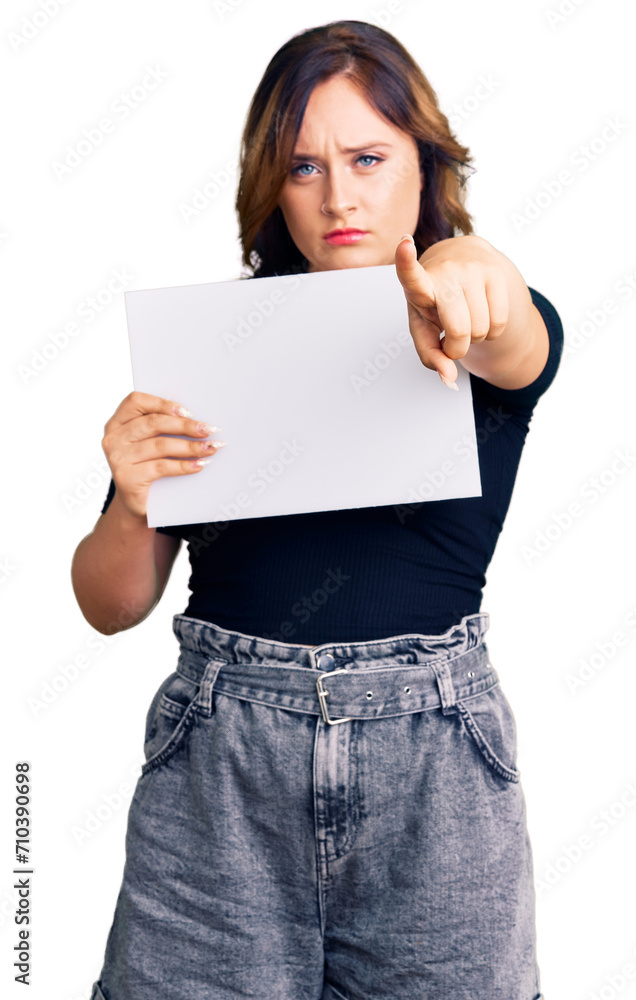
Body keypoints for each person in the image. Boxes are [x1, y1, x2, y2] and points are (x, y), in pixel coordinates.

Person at [73, 19, 562, 1000]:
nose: (340, 196)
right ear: (273, 185)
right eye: (305, 167)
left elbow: (506, 320)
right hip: (222, 768)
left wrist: (472, 271)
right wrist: (130, 499)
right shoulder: (219, 348)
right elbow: (110, 604)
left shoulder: (473, 320)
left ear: (424, 164)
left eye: (369, 158)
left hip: (434, 772)